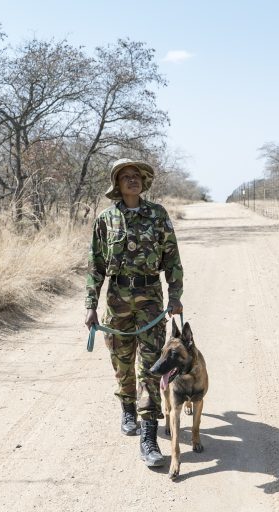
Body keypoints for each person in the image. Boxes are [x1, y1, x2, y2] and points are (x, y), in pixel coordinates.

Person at [84, 158, 184, 468]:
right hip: (117, 300)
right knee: (122, 360)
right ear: (116, 183)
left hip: (151, 300)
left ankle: (149, 435)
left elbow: (172, 258)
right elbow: (95, 266)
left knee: (151, 364)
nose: (133, 180)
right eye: (126, 176)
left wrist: (175, 295)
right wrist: (90, 304)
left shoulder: (157, 215)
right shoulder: (104, 220)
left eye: (137, 176)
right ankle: (127, 406)